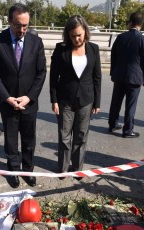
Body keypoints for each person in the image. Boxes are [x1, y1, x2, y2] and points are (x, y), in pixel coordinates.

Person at [0, 3, 47, 188]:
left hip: (29, 103)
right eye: (18, 25)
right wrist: (7, 97)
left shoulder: (36, 42)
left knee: (29, 141)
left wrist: (29, 97)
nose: (22, 29)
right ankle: (13, 170)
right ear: (10, 21)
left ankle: (27, 170)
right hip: (8, 103)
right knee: (11, 141)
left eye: (25, 26)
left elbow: (41, 73)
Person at [49, 15, 101, 178]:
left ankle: (77, 168)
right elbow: (53, 77)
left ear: (85, 31)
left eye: (79, 34)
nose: (76, 39)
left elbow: (96, 77)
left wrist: (96, 102)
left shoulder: (93, 49)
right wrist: (54, 99)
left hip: (86, 100)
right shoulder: (61, 49)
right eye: (72, 36)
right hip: (65, 100)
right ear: (68, 35)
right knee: (64, 137)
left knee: (81, 136)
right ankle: (63, 169)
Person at [108, 11, 144, 138]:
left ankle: (112, 124)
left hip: (119, 76)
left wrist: (113, 73)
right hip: (135, 77)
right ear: (140, 25)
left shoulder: (120, 38)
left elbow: (113, 56)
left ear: (130, 23)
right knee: (130, 105)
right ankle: (127, 131)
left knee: (116, 102)